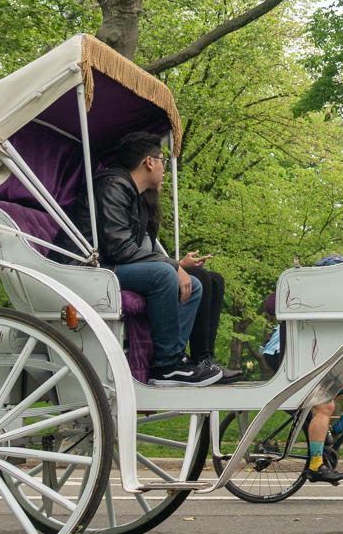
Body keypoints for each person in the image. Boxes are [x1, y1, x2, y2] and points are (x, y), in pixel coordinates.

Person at [75, 133, 220, 386]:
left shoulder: (132, 193)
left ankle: (172, 360)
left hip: (110, 265)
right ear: (149, 162)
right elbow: (120, 247)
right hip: (90, 268)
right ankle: (167, 365)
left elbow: (138, 244)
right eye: (163, 161)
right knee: (164, 275)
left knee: (194, 285)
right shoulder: (113, 186)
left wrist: (174, 267)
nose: (165, 168)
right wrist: (172, 265)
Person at [138, 186, 240, 383]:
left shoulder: (147, 214)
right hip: (143, 271)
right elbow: (135, 255)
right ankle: (200, 358)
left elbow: (148, 255)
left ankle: (207, 358)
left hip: (152, 268)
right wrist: (178, 266)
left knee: (216, 279)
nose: (162, 183)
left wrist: (179, 265)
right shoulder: (133, 209)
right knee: (200, 276)